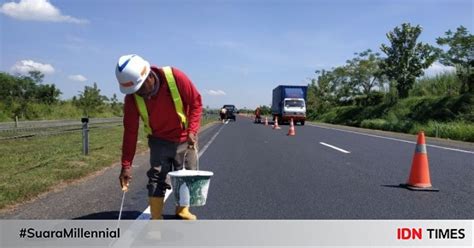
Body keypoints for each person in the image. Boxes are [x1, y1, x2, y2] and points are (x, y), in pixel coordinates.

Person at [115, 54, 203, 220]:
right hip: (158, 140)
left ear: (149, 75)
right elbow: (130, 133)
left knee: (187, 174)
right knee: (156, 177)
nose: (139, 93)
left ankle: (182, 210)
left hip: (184, 137)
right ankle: (156, 217)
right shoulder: (132, 98)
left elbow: (196, 102)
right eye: (134, 91)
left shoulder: (175, 77)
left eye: (140, 88)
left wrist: (192, 130)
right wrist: (126, 165)